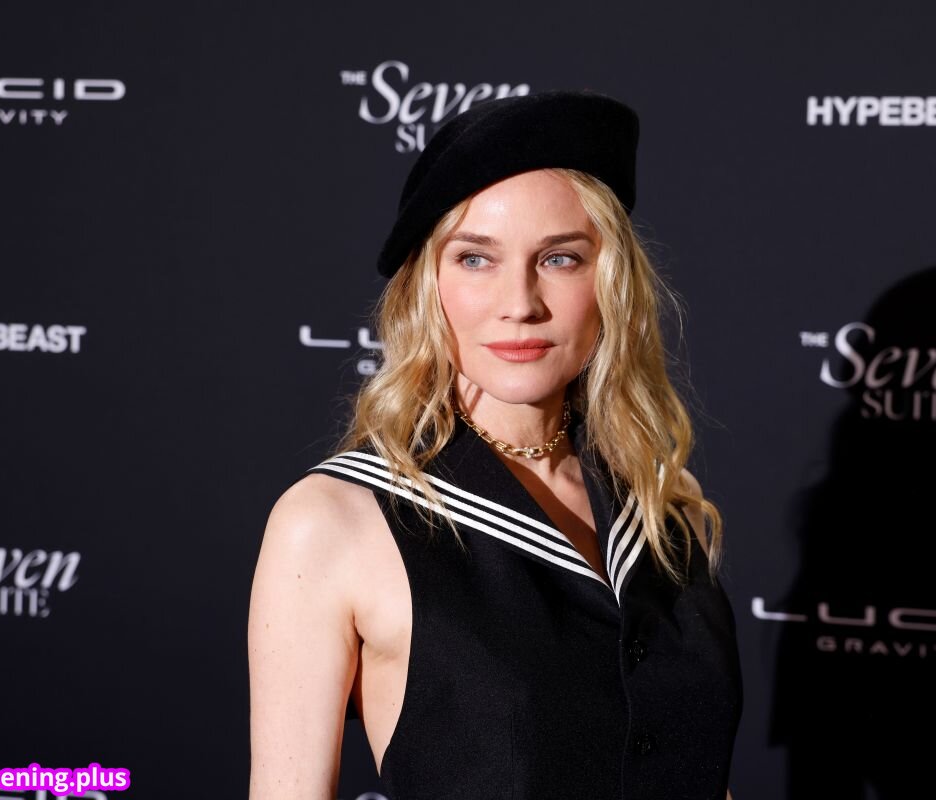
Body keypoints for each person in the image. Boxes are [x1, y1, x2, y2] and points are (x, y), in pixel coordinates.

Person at [248, 89, 742, 800]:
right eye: (476, 259)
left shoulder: (663, 505)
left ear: (611, 282)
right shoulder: (333, 522)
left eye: (561, 259)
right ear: (428, 285)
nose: (520, 303)